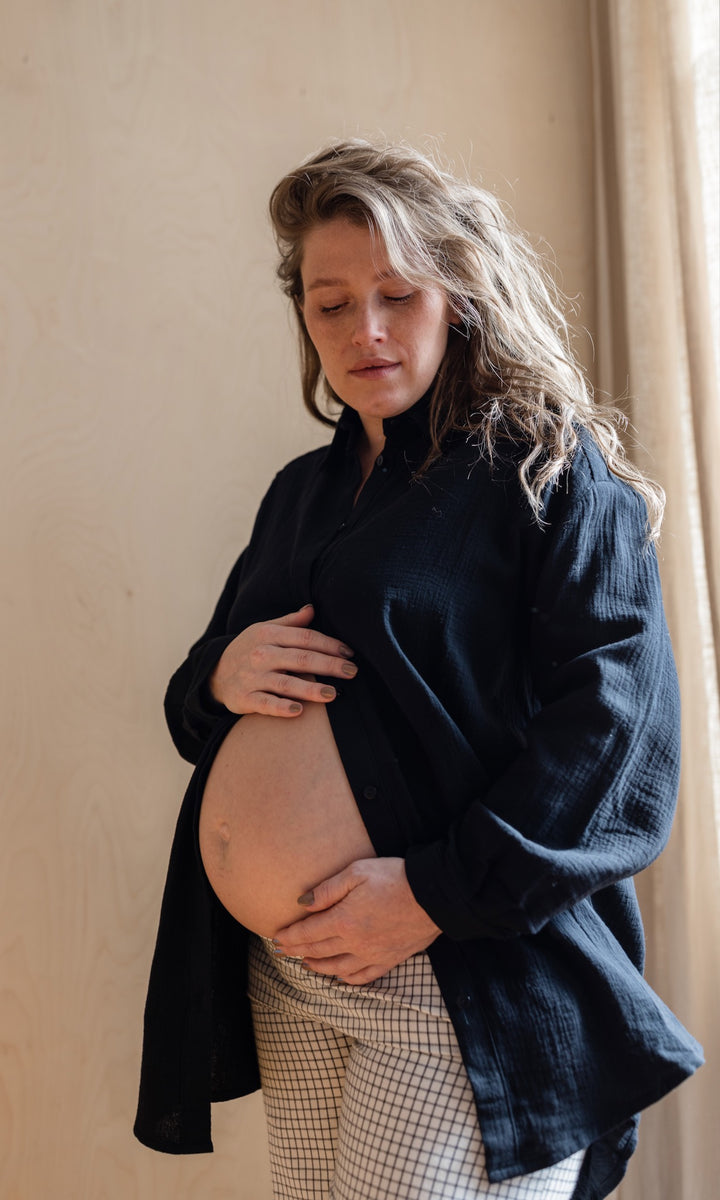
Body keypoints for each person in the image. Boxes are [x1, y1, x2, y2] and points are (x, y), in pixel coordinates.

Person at [134, 139, 703, 1200]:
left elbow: (617, 736)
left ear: (461, 298)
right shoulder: (301, 493)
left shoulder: (548, 471)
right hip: (291, 976)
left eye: (398, 295)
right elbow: (197, 713)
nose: (367, 330)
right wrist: (218, 674)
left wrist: (434, 895)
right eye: (332, 304)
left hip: (450, 967)